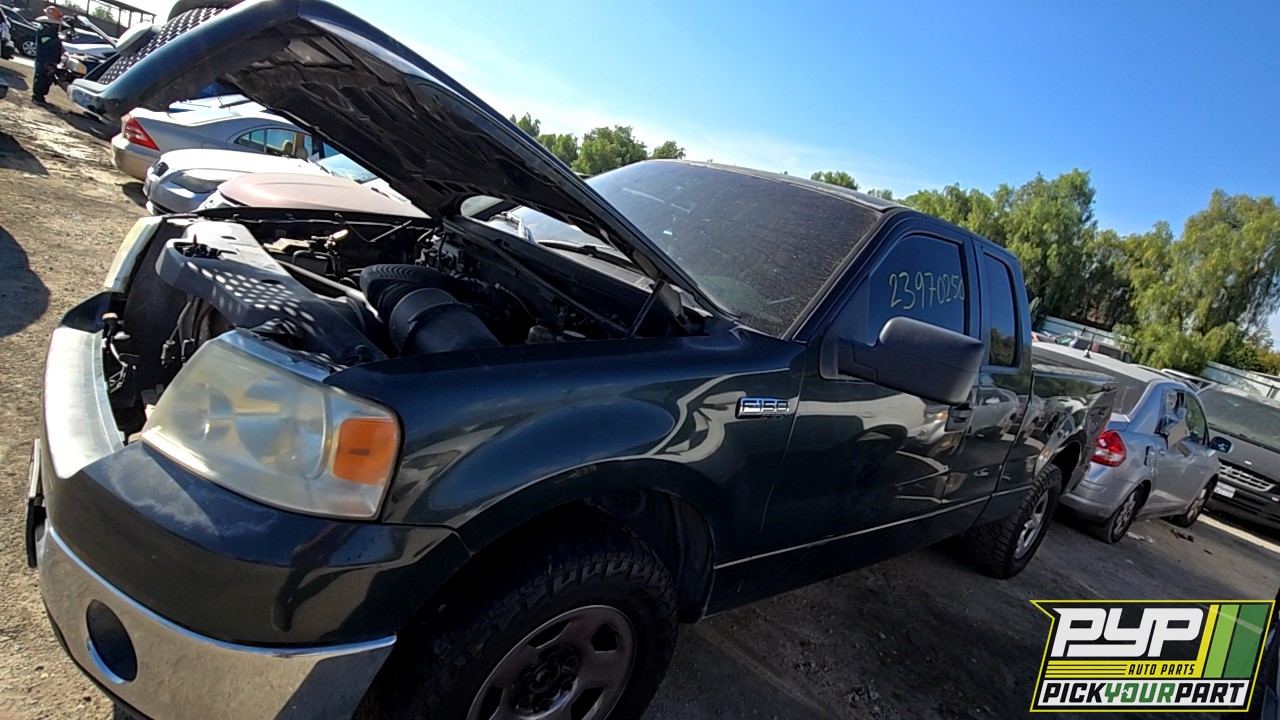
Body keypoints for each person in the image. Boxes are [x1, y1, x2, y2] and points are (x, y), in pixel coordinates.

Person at [32, 6, 64, 105]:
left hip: (48, 58)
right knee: (42, 77)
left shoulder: (48, 28)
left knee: (47, 78)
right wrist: (59, 41)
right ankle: (38, 97)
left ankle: (40, 97)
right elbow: (46, 41)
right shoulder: (45, 29)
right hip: (44, 58)